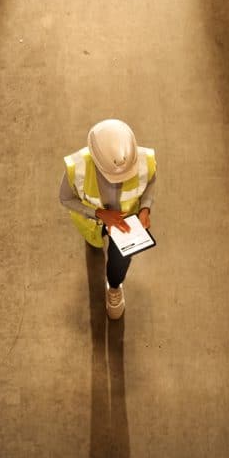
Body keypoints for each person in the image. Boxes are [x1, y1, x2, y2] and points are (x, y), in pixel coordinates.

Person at [60, 119, 157, 320]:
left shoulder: (144, 161)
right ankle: (95, 240)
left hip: (125, 223)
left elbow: (150, 183)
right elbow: (65, 198)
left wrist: (145, 209)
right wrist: (99, 214)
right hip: (92, 222)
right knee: (93, 243)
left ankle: (114, 286)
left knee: (121, 259)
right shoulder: (77, 168)